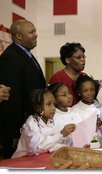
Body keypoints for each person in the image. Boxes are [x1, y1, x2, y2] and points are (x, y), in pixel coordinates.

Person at [0, 19, 46, 159]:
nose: (36, 35)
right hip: (20, 130)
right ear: (19, 36)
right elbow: (11, 99)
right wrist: (14, 133)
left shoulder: (27, 54)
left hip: (33, 125)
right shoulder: (10, 57)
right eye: (31, 32)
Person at [12, 89, 76, 158]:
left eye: (54, 104)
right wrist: (61, 134)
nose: (53, 108)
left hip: (43, 158)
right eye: (49, 104)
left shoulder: (54, 119)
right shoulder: (31, 123)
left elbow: (57, 144)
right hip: (24, 160)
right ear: (38, 108)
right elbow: (39, 147)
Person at [73, 75, 102, 147]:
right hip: (83, 147)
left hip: (100, 146)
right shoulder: (75, 110)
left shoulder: (101, 107)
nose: (90, 93)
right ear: (79, 92)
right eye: (85, 91)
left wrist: (101, 124)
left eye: (92, 90)